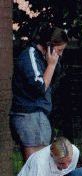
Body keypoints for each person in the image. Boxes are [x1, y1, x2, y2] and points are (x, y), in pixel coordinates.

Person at [10, 27, 68, 161]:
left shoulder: (44, 59)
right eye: (59, 50)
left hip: (39, 114)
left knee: (41, 164)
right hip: (29, 114)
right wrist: (52, 65)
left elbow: (51, 83)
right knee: (35, 165)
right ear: (49, 46)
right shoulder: (30, 55)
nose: (60, 55)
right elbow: (39, 87)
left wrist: (53, 64)